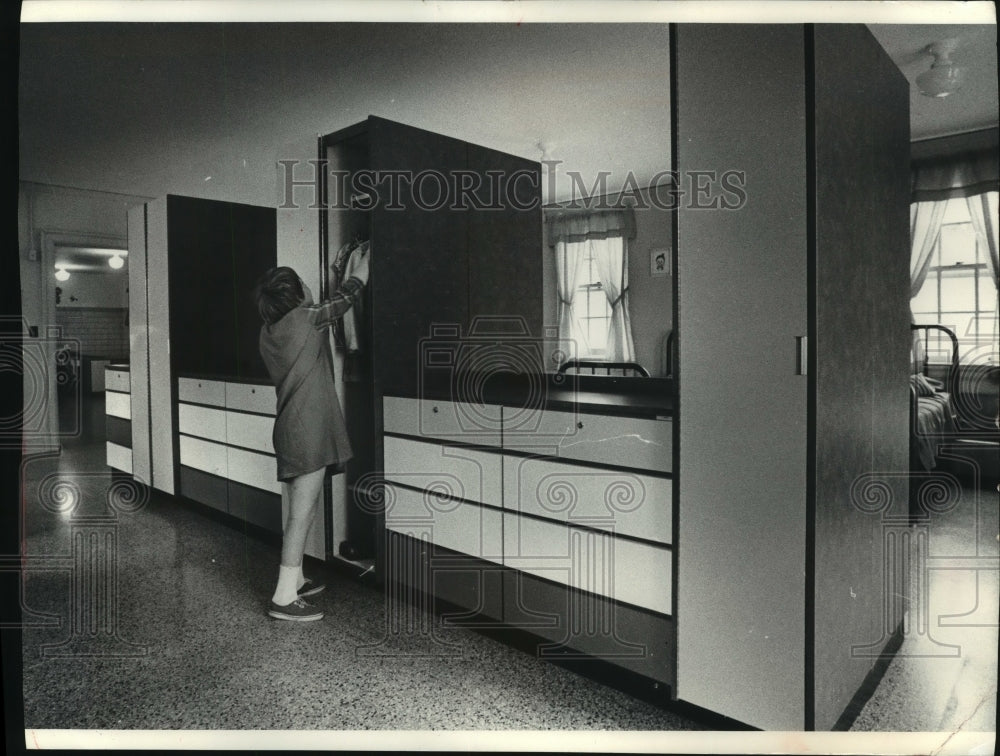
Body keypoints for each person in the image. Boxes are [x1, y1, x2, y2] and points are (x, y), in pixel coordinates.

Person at [253, 246, 370, 621]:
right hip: (307, 430)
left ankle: (298, 577)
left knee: (301, 508)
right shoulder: (305, 319)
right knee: (301, 517)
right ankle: (284, 597)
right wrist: (362, 272)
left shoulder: (269, 332)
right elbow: (344, 300)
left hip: (291, 427)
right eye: (303, 284)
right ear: (295, 293)